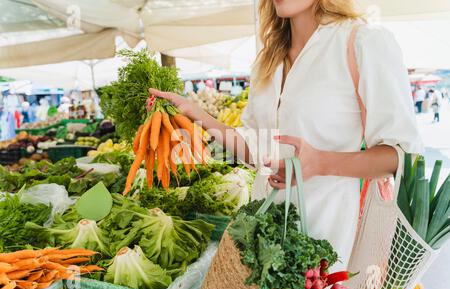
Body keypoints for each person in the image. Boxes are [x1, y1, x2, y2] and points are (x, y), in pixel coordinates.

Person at [149, 0, 423, 270]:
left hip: (324, 238)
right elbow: (258, 151)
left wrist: (321, 163)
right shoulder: (268, 59)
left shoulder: (362, 42)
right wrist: (196, 115)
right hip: (263, 238)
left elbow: (403, 156)